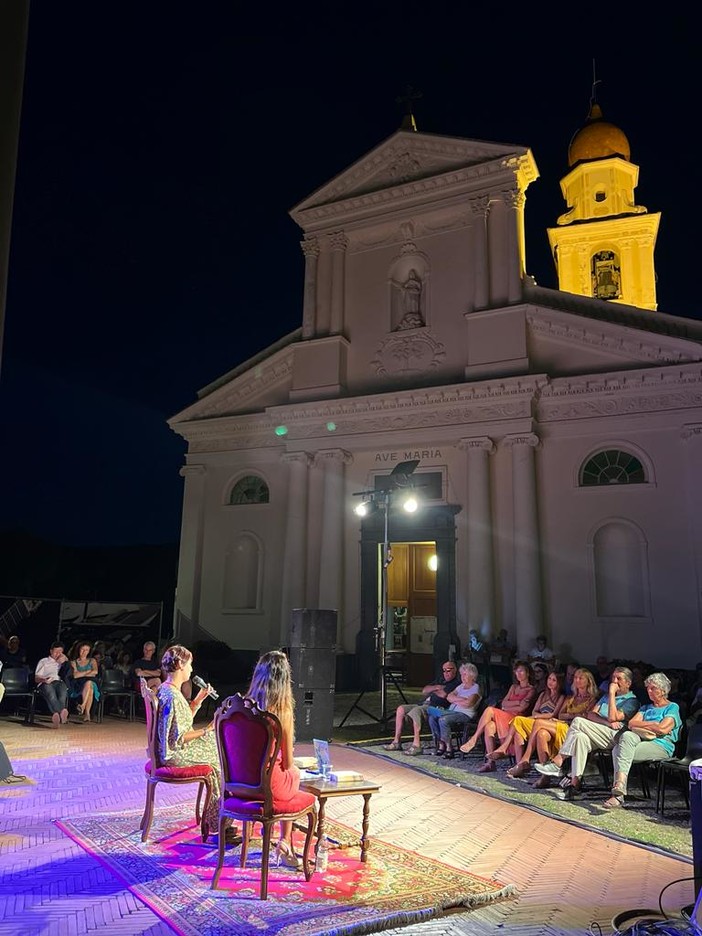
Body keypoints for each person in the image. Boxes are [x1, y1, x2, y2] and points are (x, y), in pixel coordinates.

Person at [156, 644, 231, 840]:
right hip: (175, 754)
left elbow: (179, 724)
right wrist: (207, 729)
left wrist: (197, 701)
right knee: (220, 760)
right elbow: (180, 737)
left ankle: (218, 816)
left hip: (170, 749)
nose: (191, 669)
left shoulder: (167, 689)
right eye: (189, 664)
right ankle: (217, 822)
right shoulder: (172, 696)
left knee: (218, 747)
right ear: (180, 664)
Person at [535, 665, 640, 800]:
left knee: (578, 721)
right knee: (579, 737)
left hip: (616, 736)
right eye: (613, 677)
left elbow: (614, 717)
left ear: (628, 683)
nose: (614, 681)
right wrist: (607, 722)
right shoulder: (605, 698)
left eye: (618, 678)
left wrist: (613, 694)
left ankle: (558, 761)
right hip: (599, 731)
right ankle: (574, 787)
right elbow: (591, 715)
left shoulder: (631, 701)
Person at [246, 650, 308, 870]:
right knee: (295, 774)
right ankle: (285, 840)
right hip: (268, 784)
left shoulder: (243, 707)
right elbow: (288, 762)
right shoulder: (282, 713)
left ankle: (268, 830)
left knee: (288, 775)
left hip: (242, 781)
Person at [603, 672, 681, 809]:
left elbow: (663, 729)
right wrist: (653, 725)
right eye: (648, 688)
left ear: (663, 690)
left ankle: (617, 794)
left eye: (653, 688)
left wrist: (646, 724)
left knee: (618, 750)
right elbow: (632, 724)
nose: (649, 691)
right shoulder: (646, 708)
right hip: (642, 740)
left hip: (661, 746)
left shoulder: (672, 707)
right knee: (626, 737)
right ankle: (619, 786)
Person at [523, 668, 599, 786]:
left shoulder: (592, 700)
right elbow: (561, 714)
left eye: (580, 678)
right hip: (562, 724)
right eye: (575, 678)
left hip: (574, 729)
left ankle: (526, 758)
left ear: (588, 681)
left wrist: (570, 716)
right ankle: (545, 776)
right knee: (541, 733)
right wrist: (573, 715)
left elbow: (587, 717)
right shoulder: (570, 698)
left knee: (538, 723)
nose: (577, 680)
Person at [459, 660, 537, 770]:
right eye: (516, 671)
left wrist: (510, 705)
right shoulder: (513, 687)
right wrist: (517, 703)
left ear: (528, 673)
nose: (518, 674)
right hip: (505, 715)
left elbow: (523, 708)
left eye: (521, 671)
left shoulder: (531, 689)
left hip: (517, 719)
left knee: (490, 710)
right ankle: (491, 763)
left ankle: (474, 738)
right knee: (489, 726)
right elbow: (503, 704)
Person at [488, 670, 566, 766]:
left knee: (518, 719)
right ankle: (519, 764)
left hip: (548, 724)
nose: (550, 682)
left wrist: (537, 716)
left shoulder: (561, 697)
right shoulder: (543, 695)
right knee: (518, 731)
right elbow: (534, 710)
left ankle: (505, 748)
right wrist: (536, 716)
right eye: (549, 678)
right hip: (536, 721)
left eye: (554, 680)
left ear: (559, 682)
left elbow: (553, 714)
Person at [384, 660, 459, 755]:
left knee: (416, 711)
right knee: (401, 709)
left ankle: (416, 745)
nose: (445, 673)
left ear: (455, 670)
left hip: (436, 707)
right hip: (425, 704)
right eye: (444, 670)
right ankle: (396, 742)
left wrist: (433, 690)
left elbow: (443, 695)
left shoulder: (455, 683)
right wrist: (437, 687)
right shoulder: (440, 680)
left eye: (448, 670)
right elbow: (424, 690)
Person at [426, 662, 482, 758]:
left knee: (443, 720)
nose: (462, 677)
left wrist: (456, 700)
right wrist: (462, 700)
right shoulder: (461, 686)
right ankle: (441, 743)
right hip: (452, 712)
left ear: (472, 676)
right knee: (431, 715)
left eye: (465, 674)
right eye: (461, 675)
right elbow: (449, 697)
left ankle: (449, 747)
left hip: (465, 714)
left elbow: (469, 703)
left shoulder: (475, 687)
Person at [34, 641, 70, 728]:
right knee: (51, 694)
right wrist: (44, 680)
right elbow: (36, 678)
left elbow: (70, 672)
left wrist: (66, 661)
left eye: (60, 652)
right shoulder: (44, 661)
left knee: (62, 694)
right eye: (56, 652)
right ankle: (61, 712)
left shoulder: (62, 662)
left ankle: (56, 715)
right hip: (45, 682)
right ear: (51, 651)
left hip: (58, 682)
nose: (58, 654)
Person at [70, 642, 101, 722]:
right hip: (78, 683)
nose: (84, 652)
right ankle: (87, 713)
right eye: (82, 650)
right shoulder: (74, 662)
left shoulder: (92, 660)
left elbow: (95, 672)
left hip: (92, 682)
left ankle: (83, 706)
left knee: (89, 683)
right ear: (79, 650)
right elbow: (75, 675)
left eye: (86, 650)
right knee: (89, 687)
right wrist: (88, 672)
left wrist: (81, 674)